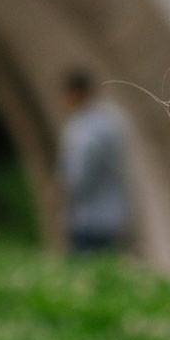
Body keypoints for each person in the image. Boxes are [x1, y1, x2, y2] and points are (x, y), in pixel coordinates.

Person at [56, 69, 133, 257]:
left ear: (74, 93)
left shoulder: (83, 128)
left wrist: (59, 195)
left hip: (88, 220)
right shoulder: (110, 118)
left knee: (85, 274)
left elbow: (78, 177)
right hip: (113, 216)